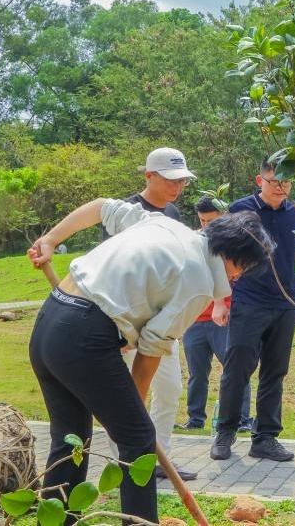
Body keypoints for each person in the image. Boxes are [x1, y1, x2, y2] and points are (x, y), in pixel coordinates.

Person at [27, 198, 271, 524]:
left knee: (72, 441)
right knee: (138, 441)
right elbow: (150, 352)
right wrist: (134, 413)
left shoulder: (164, 225)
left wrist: (51, 239)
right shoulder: (198, 279)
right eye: (245, 268)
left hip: (50, 321)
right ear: (235, 258)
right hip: (84, 337)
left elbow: (101, 207)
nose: (240, 276)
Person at [211, 156, 295, 462]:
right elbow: (220, 257)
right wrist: (221, 300)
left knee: (275, 372)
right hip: (248, 301)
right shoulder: (239, 209)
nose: (280, 188)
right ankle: (225, 432)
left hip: (285, 303)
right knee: (237, 370)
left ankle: (265, 438)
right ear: (259, 180)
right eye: (274, 182)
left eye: (286, 182)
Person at [110, 147, 196, 481]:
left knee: (171, 388)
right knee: (134, 394)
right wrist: (121, 331)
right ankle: (130, 459)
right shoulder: (126, 213)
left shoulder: (173, 213)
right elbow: (118, 275)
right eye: (170, 180)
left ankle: (161, 458)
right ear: (149, 175)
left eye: (182, 181)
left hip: (164, 325)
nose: (177, 187)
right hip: (131, 327)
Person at [179, 197, 253, 432]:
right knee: (196, 373)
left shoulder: (233, 243)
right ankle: (195, 419)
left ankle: (241, 419)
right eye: (202, 220)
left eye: (211, 220)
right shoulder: (193, 241)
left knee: (234, 369)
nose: (206, 226)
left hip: (224, 317)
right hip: (195, 318)